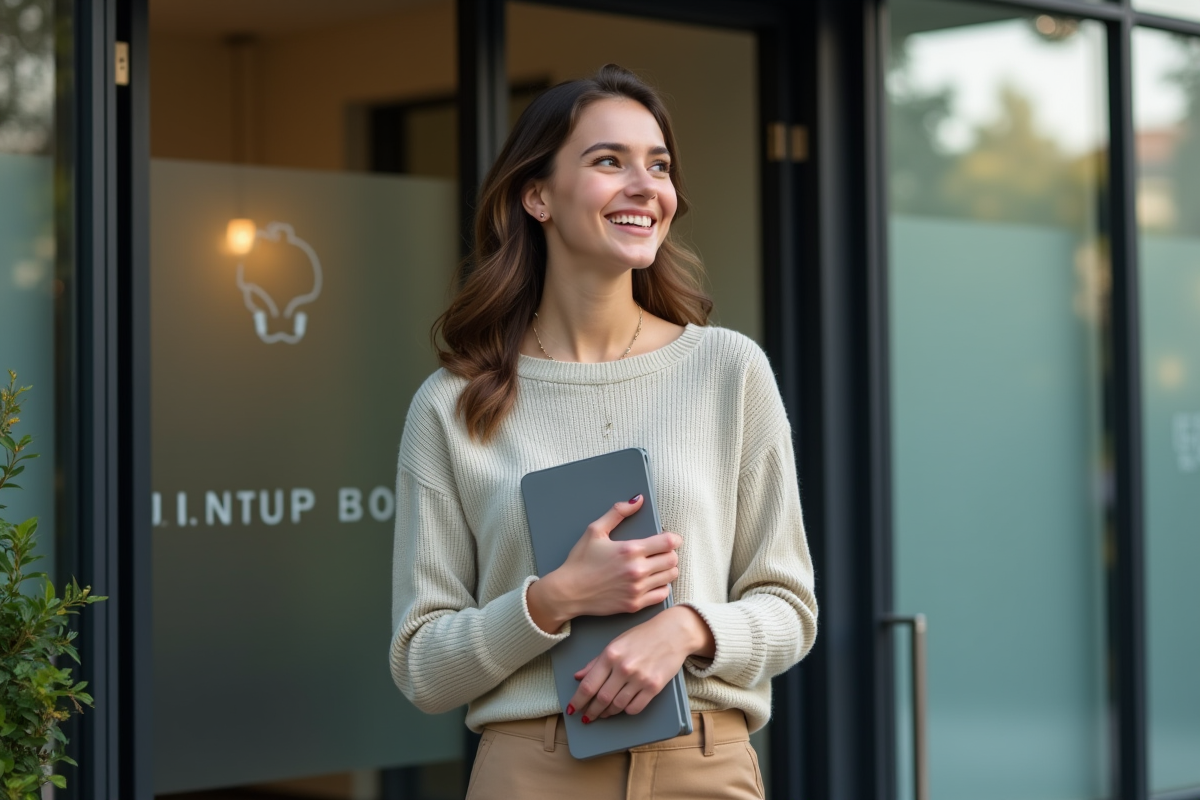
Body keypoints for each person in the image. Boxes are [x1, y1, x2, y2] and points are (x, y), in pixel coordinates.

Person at [389, 64, 817, 800]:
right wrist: (549, 602)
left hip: (705, 767)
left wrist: (686, 628)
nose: (645, 185)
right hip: (531, 770)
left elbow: (790, 609)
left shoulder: (728, 370)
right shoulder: (452, 404)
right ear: (537, 196)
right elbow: (423, 668)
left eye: (659, 165)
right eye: (608, 161)